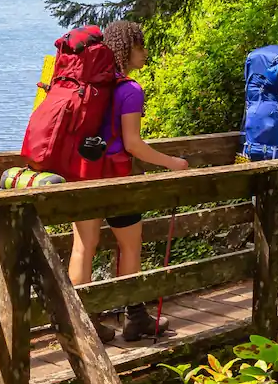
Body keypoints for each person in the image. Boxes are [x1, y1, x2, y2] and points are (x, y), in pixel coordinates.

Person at [69, 21, 189, 342]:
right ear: (126, 49)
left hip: (83, 176)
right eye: (140, 46)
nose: (145, 52)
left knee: (83, 248)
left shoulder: (85, 85)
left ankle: (83, 324)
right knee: (130, 247)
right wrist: (172, 163)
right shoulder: (129, 90)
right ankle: (135, 319)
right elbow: (132, 144)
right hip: (117, 180)